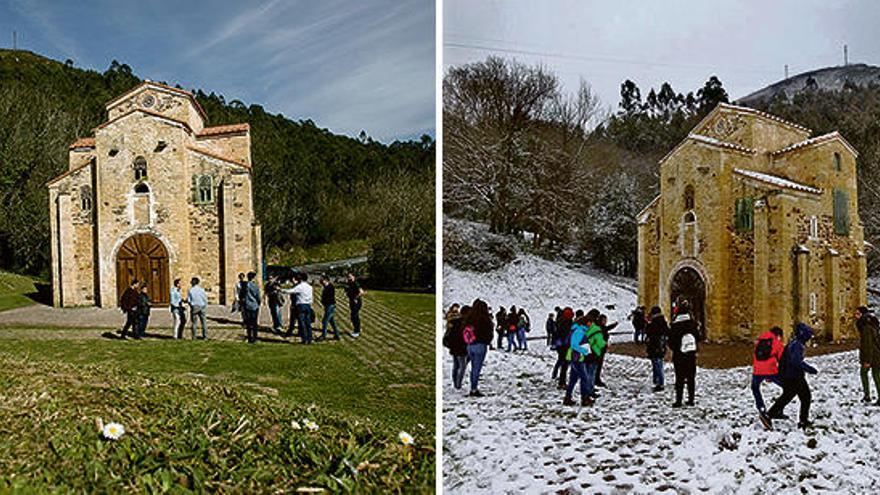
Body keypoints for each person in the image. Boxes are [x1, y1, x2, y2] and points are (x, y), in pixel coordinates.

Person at [765, 323, 818, 429]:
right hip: (795, 376)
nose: (809, 339)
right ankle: (803, 421)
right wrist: (809, 369)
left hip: (789, 374)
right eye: (808, 336)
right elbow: (796, 361)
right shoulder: (797, 345)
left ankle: (771, 414)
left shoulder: (794, 342)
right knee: (806, 397)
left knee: (788, 395)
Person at [668, 300, 698, 407]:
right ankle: (691, 399)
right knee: (691, 378)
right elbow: (697, 338)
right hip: (691, 354)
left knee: (679, 378)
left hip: (679, 355)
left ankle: (679, 400)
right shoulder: (692, 324)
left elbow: (671, 342)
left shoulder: (675, 326)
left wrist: (676, 348)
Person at [751, 326, 785, 417]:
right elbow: (782, 360)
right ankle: (778, 410)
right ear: (778, 335)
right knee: (788, 388)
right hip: (771, 371)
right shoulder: (778, 343)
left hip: (757, 371)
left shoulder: (758, 341)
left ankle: (761, 408)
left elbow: (757, 356)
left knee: (755, 388)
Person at [466, 299, 494, 397]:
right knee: (477, 368)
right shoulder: (485, 319)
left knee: (473, 367)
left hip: (470, 345)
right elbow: (489, 332)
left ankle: (473, 386)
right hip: (480, 345)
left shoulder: (469, 318)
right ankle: (474, 389)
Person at [855, 306, 880, 405]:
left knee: (873, 375)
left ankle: (867, 396)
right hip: (876, 353)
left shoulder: (866, 326)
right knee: (875, 375)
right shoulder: (871, 323)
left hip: (873, 355)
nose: (855, 316)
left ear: (862, 314)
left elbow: (868, 345)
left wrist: (867, 361)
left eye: (857, 314)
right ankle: (867, 395)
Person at [443, 304, 470, 390]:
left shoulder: (454, 322)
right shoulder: (465, 324)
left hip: (454, 346)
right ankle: (458, 384)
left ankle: (455, 383)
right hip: (461, 347)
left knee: (456, 365)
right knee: (462, 366)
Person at [645, 306, 668, 392]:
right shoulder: (663, 321)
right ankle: (657, 381)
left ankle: (659, 383)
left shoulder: (654, 322)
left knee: (657, 364)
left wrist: (648, 323)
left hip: (654, 346)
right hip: (660, 346)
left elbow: (649, 332)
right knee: (658, 363)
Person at [288, 272, 314, 344]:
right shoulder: (310, 287)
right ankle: (310, 338)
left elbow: (291, 291)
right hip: (308, 305)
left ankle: (304, 339)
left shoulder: (300, 286)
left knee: (302, 323)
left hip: (301, 305)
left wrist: (281, 290)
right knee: (308, 323)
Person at [594, 314, 618, 388]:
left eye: (605, 320)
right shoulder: (598, 327)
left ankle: (596, 379)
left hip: (602, 349)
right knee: (597, 366)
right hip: (598, 349)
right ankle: (595, 380)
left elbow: (606, 328)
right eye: (604, 320)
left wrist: (613, 325)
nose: (605, 322)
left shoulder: (602, 327)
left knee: (599, 366)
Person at [553, 307, 574, 387]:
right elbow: (567, 334)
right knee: (565, 364)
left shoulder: (560, 321)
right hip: (565, 346)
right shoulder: (567, 323)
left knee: (561, 361)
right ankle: (562, 382)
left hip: (560, 345)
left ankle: (558, 377)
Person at [319, 275, 340, 340]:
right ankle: (337, 335)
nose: (321, 281)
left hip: (330, 306)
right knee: (332, 321)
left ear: (326, 280)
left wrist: (324, 301)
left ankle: (323, 336)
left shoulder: (330, 287)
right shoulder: (326, 287)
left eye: (322, 280)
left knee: (325, 321)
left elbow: (329, 298)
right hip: (327, 306)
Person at [242, 272, 261, 344]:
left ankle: (249, 337)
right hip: (254, 305)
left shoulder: (245, 285)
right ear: (253, 278)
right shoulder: (254, 286)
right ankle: (255, 338)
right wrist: (259, 302)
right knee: (254, 323)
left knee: (248, 323)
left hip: (247, 305)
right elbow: (257, 296)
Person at [345, 272, 364, 337]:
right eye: (348, 276)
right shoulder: (349, 283)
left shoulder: (356, 283)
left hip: (356, 302)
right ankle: (357, 329)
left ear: (354, 277)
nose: (349, 278)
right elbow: (347, 290)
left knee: (355, 316)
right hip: (352, 301)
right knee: (353, 316)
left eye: (350, 276)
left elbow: (361, 292)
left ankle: (357, 331)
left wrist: (356, 298)